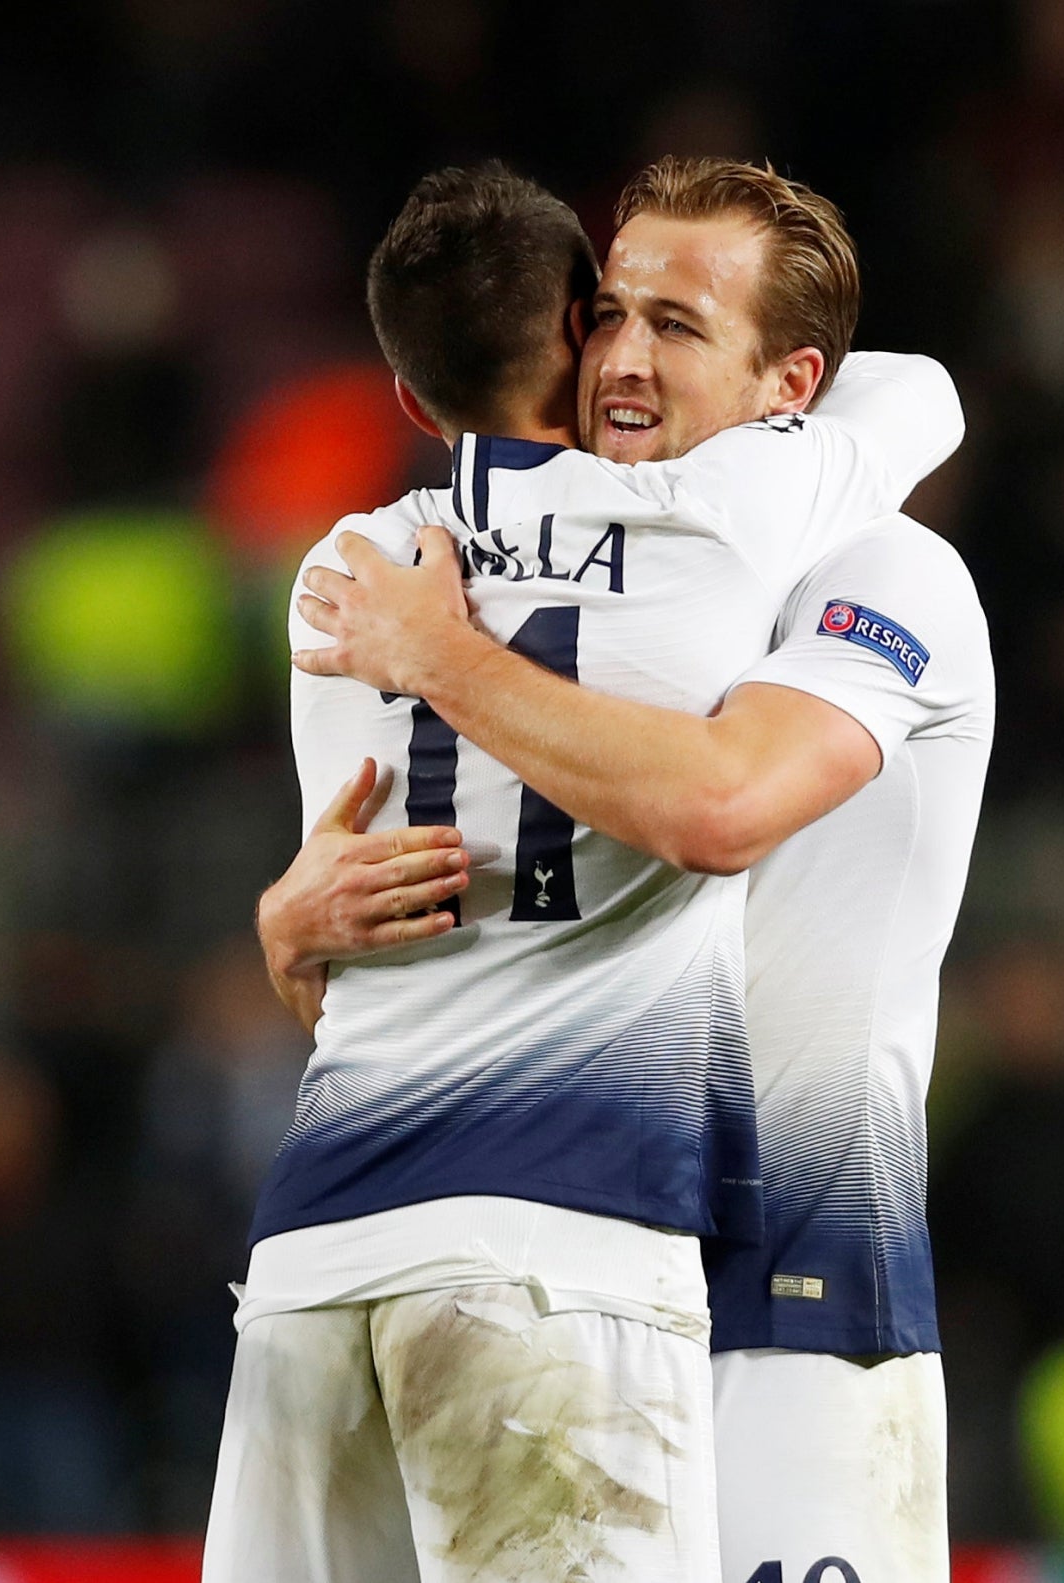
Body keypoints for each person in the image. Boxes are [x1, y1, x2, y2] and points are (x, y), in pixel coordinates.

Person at [204, 161, 961, 1581]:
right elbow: (368, 906)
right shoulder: (682, 538)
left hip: (796, 1278)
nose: (619, 355)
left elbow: (724, 799)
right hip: (587, 1244)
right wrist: (291, 911)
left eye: (675, 325)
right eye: (605, 313)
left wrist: (438, 655)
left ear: (791, 382)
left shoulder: (879, 565)